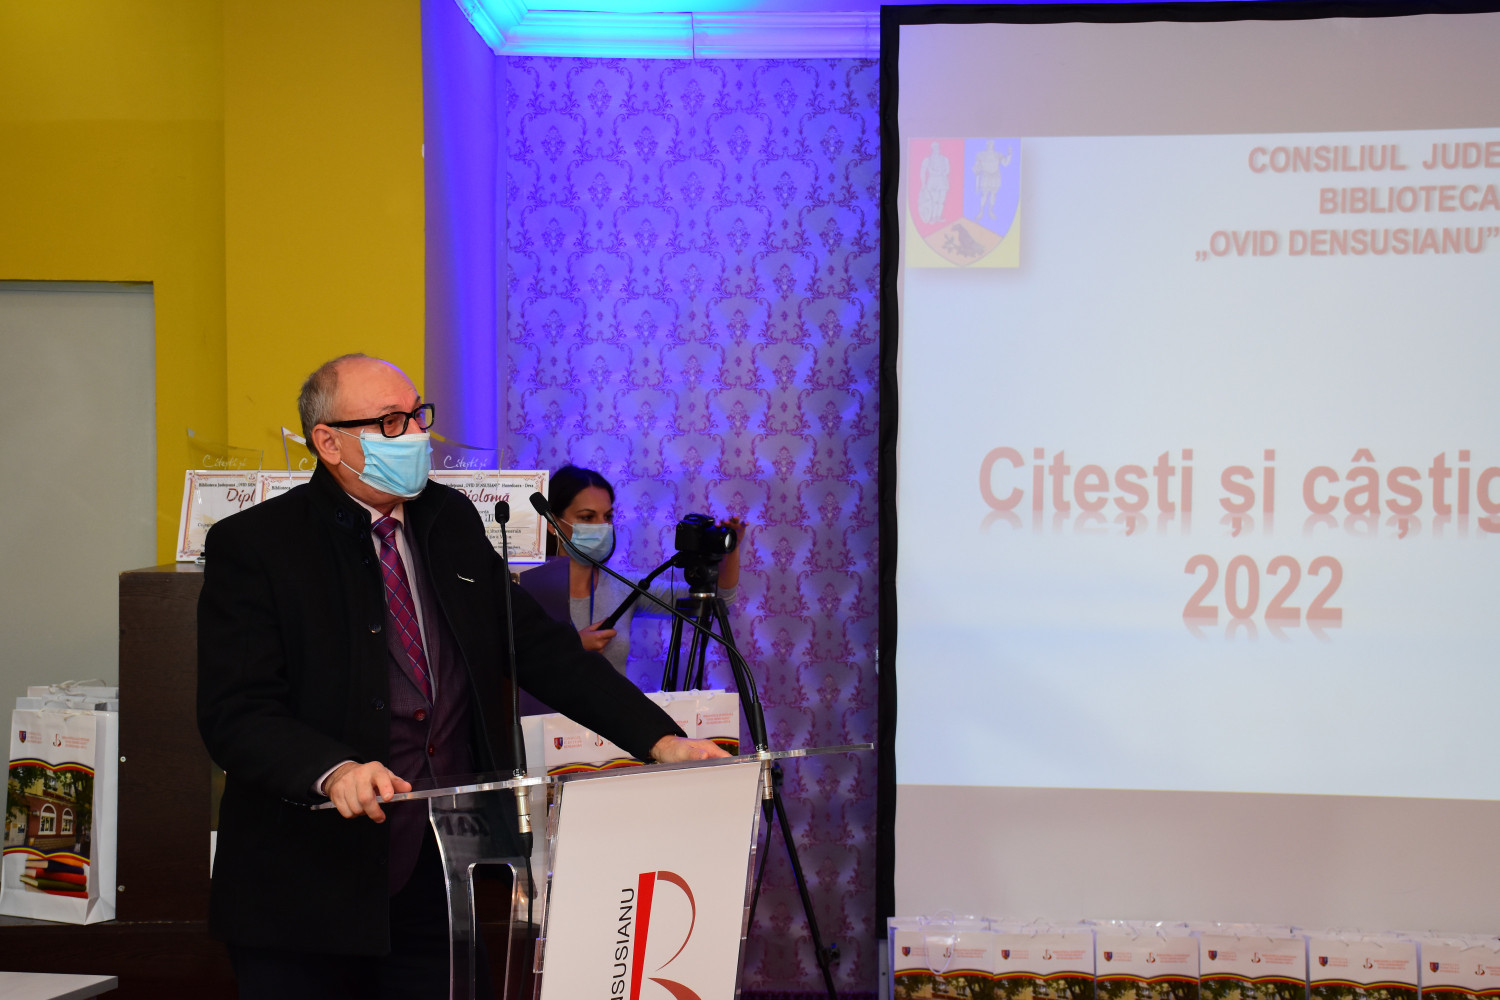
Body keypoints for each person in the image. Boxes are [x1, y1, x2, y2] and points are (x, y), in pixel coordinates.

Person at [196, 354, 726, 999]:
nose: (415, 434)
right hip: (306, 889)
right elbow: (237, 712)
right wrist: (334, 770)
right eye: (390, 422)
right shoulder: (256, 545)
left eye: (417, 415)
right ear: (328, 443)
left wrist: (659, 739)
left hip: (440, 872)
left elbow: (538, 648)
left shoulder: (447, 519)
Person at [518, 465, 746, 676]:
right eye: (587, 517)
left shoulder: (625, 586)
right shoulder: (525, 589)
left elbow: (717, 599)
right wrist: (571, 648)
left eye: (607, 516)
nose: (602, 526)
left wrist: (730, 549)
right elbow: (511, 666)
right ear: (552, 523)